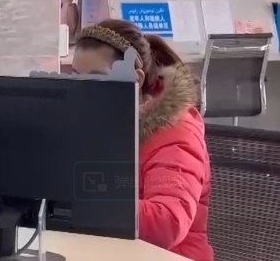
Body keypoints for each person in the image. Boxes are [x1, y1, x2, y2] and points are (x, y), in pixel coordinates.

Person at [71, 19, 212, 261]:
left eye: (96, 79)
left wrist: (79, 201)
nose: (82, 92)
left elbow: (168, 221)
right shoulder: (101, 120)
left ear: (135, 80)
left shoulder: (176, 132)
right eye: (76, 78)